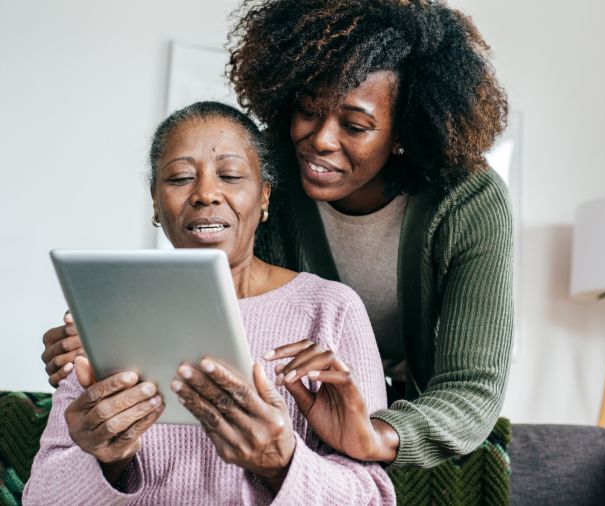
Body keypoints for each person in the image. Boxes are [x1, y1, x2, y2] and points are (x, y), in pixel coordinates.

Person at [42, 0, 514, 469]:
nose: (321, 140)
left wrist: (374, 436)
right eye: (308, 111)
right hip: (308, 431)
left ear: (403, 133)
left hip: (413, 425)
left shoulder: (468, 201)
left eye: (355, 126)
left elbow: (471, 387)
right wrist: (102, 349)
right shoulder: (267, 181)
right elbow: (225, 314)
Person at [25, 101, 395, 505]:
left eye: (231, 175)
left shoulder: (331, 309)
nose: (205, 193)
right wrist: (103, 460)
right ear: (155, 200)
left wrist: (280, 463)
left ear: (265, 195)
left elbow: (372, 497)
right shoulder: (107, 309)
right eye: (181, 177)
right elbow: (40, 497)